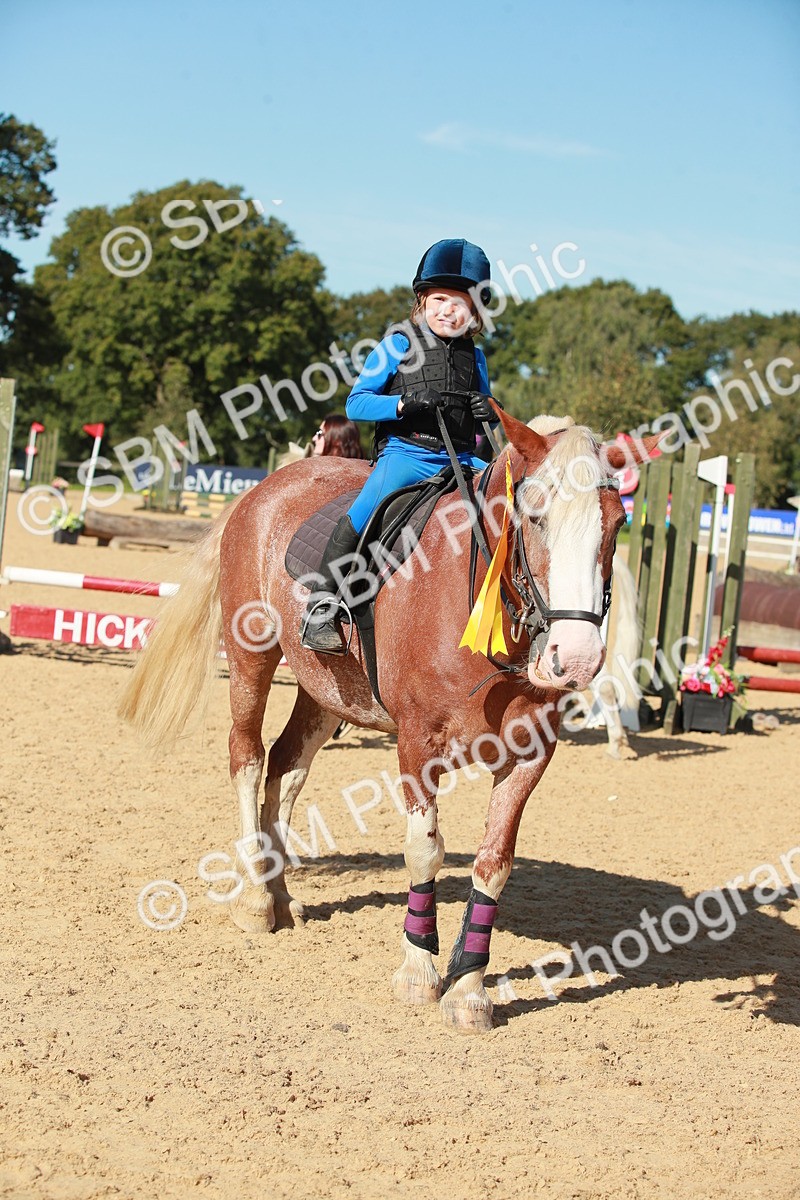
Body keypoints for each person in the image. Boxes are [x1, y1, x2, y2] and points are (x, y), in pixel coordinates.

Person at [301, 238, 496, 654]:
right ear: (422, 301)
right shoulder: (398, 343)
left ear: (475, 312)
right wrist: (403, 403)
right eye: (440, 298)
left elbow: (481, 430)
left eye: (461, 303)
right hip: (408, 456)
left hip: (462, 458)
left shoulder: (476, 359)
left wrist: (490, 410)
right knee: (368, 504)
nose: (449, 309)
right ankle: (320, 604)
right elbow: (356, 403)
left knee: (507, 502)